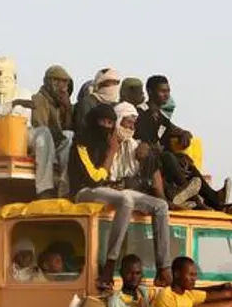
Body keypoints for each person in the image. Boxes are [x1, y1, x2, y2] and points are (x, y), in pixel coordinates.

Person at [69, 102, 172, 291]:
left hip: (113, 191)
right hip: (84, 192)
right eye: (105, 122)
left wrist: (145, 154)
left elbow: (139, 170)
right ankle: (110, 265)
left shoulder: (124, 143)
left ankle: (163, 267)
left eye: (110, 122)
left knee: (160, 207)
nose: (108, 126)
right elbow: (94, 179)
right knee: (126, 199)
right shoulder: (83, 143)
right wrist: (112, 151)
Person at [137, 75, 232, 215]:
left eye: (168, 91)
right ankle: (197, 200)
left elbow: (173, 132)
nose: (166, 95)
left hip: (163, 162)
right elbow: (145, 143)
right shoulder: (140, 112)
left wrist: (184, 136)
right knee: (169, 157)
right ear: (150, 92)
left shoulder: (162, 118)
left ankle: (216, 201)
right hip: (147, 164)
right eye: (162, 91)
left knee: (185, 161)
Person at [0, 56, 58, 199]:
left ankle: (44, 188)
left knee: (43, 134)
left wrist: (5, 111)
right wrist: (13, 104)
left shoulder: (24, 93)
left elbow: (22, 121)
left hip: (18, 137)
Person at [30, 65, 76, 188]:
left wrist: (67, 109)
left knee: (70, 136)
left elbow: (67, 127)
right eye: (57, 81)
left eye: (65, 82)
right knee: (67, 137)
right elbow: (39, 126)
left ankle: (64, 181)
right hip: (42, 144)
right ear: (49, 81)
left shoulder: (58, 102)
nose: (62, 86)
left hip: (57, 142)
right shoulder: (39, 99)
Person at [72, 67, 122, 135]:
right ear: (98, 85)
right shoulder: (87, 103)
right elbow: (82, 128)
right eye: (107, 84)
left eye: (115, 84)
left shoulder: (117, 106)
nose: (112, 88)